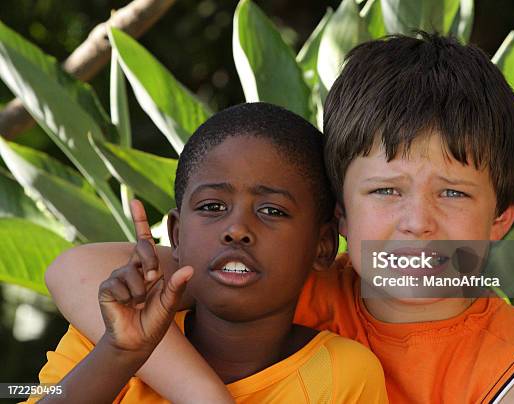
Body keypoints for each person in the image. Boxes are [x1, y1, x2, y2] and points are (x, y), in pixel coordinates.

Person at [45, 34, 514, 403]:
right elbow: (76, 271)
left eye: (452, 193)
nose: (417, 223)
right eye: (385, 191)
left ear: (500, 217)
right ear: (340, 218)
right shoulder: (288, 281)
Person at [30, 103, 388, 403]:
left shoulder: (341, 374)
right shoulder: (107, 335)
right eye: (212, 206)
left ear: (323, 246)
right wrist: (120, 354)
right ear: (176, 234)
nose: (236, 229)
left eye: (272, 211)